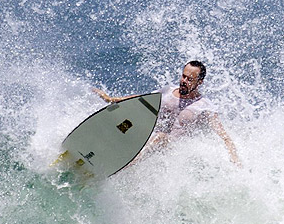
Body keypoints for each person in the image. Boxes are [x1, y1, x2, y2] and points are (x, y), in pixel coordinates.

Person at [93, 61, 241, 166]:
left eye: (190, 79)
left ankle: (123, 166)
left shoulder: (203, 107)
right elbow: (141, 100)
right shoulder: (168, 91)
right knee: (129, 123)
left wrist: (234, 158)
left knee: (161, 138)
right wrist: (112, 99)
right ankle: (98, 148)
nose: (184, 81)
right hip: (147, 141)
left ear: (200, 82)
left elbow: (224, 137)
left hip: (172, 152)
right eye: (183, 76)